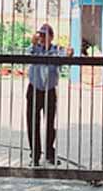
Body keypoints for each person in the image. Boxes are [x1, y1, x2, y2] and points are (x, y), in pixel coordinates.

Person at [26, 23, 73, 166]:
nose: (41, 38)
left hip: (50, 90)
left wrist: (70, 54)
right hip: (34, 89)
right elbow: (27, 54)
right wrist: (33, 43)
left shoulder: (56, 50)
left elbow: (66, 56)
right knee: (33, 123)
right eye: (40, 35)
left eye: (44, 35)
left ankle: (49, 154)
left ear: (51, 37)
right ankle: (35, 156)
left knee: (50, 124)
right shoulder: (34, 49)